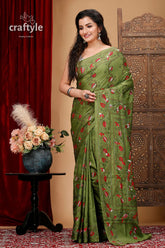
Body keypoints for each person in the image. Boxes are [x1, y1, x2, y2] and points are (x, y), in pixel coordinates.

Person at [59, 9, 151, 246]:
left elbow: (126, 85)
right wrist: (76, 92)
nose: (84, 31)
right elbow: (62, 84)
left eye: (89, 26)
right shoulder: (76, 54)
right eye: (80, 27)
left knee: (103, 168)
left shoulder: (113, 55)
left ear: (99, 27)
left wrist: (102, 96)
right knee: (87, 169)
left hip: (105, 116)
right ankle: (91, 229)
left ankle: (110, 225)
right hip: (82, 116)